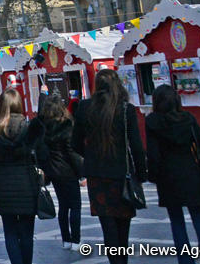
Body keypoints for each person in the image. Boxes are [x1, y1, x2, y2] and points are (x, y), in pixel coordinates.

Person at [72, 68, 146, 264]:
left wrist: (90, 156)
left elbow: (75, 143)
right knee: (123, 227)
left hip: (97, 175)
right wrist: (142, 173)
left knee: (108, 227)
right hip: (122, 173)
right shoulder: (124, 109)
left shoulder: (85, 107)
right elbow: (136, 145)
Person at [145, 84, 200, 264]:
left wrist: (153, 176)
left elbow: (153, 154)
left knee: (177, 222)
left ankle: (185, 260)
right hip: (192, 173)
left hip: (168, 176)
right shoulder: (188, 118)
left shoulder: (152, 121)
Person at [0, 88, 44, 264]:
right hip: (26, 182)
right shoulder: (28, 127)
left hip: (4, 184)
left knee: (10, 231)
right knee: (27, 232)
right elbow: (39, 156)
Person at [35, 92, 82, 251]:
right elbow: (72, 152)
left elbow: (40, 151)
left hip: (53, 171)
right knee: (75, 205)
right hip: (68, 170)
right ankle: (76, 240)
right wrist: (81, 172)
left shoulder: (43, 126)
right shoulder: (67, 124)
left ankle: (66, 240)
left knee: (63, 205)